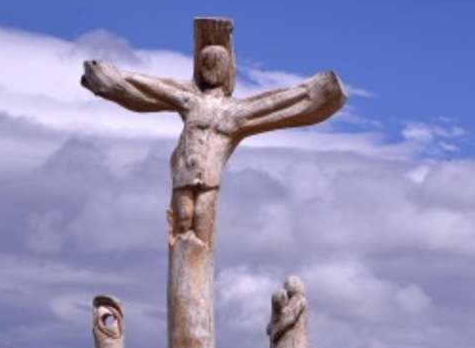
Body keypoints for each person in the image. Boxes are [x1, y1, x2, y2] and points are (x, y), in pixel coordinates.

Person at [82, 46, 344, 246]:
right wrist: (115, 78)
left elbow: (275, 102)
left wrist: (312, 93)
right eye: (206, 62)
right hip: (187, 168)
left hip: (209, 173)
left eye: (217, 63)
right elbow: (154, 89)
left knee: (203, 218)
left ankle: (196, 255)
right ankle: (183, 249)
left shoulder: (236, 111)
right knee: (183, 217)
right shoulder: (189, 100)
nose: (211, 67)